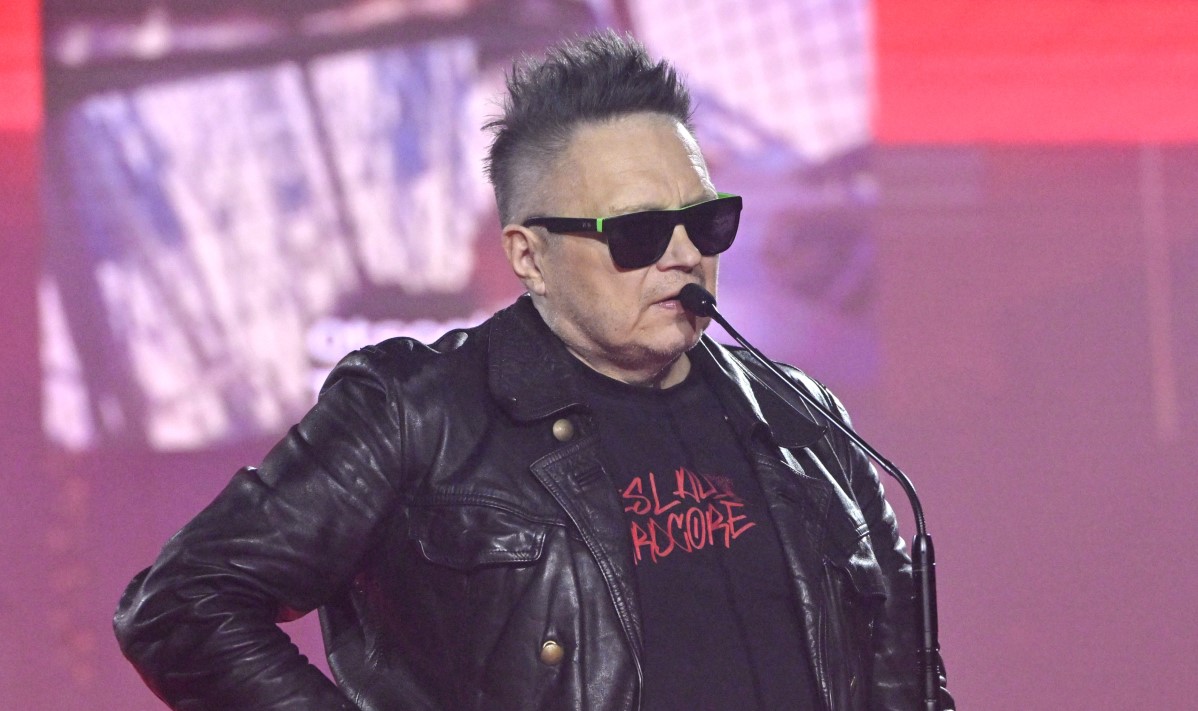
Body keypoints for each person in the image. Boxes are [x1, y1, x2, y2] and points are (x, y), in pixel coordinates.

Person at [115, 31, 922, 710]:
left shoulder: (802, 417)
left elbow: (907, 680)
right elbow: (180, 603)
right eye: (637, 233)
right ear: (529, 256)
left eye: (705, 221)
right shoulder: (416, 413)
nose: (684, 254)